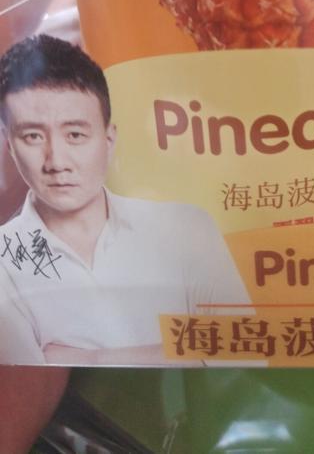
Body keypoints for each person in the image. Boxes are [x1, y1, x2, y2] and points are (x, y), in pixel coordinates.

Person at [0, 33, 251, 366]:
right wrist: (190, 351)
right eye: (32, 136)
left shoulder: (186, 226)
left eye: (75, 135)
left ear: (109, 139)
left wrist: (90, 358)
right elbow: (29, 381)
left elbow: (245, 353)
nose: (56, 161)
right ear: (9, 144)